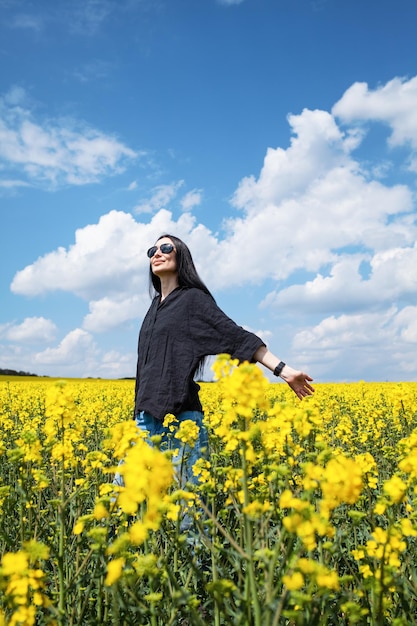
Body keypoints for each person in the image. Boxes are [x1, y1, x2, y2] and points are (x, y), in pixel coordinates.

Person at [131, 234, 315, 489]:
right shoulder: (153, 307)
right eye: (152, 250)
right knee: (124, 497)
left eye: (165, 248)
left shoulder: (192, 299)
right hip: (145, 418)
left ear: (181, 255)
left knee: (192, 506)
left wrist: (283, 370)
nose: (156, 254)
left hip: (182, 418)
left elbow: (236, 336)